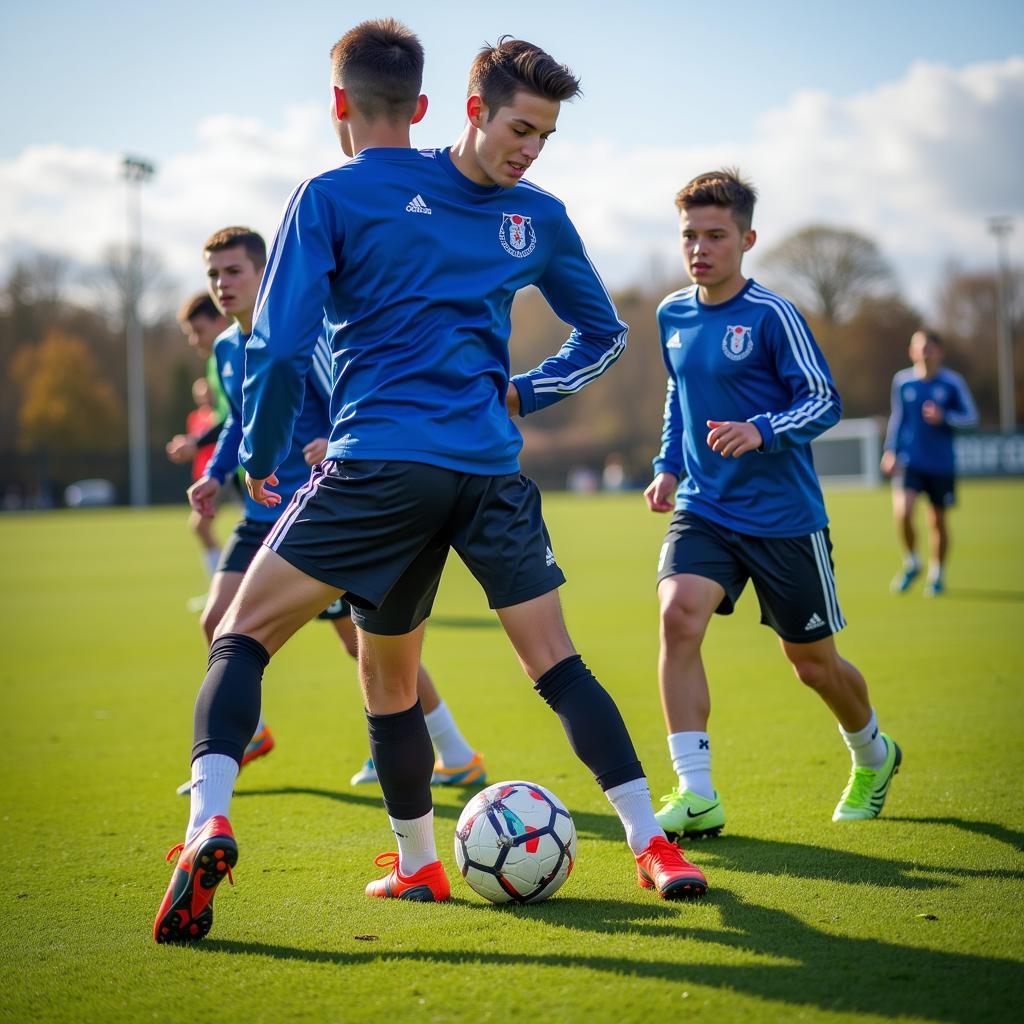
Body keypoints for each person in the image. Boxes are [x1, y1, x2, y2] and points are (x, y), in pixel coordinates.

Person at [153, 20, 705, 946]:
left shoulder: (340, 192)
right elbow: (605, 335)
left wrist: (264, 453)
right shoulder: (497, 205)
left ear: (339, 104)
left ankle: (207, 820)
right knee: (413, 669)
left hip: (382, 468)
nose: (531, 151)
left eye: (544, 137)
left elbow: (284, 346)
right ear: (448, 108)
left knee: (241, 636)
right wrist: (522, 394)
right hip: (485, 477)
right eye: (522, 130)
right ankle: (445, 863)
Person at [172, 225, 482, 796]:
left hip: (317, 515)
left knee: (365, 644)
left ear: (263, 273)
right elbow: (241, 421)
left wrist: (334, 443)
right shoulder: (223, 349)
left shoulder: (301, 333)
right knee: (217, 622)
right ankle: (245, 733)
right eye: (213, 274)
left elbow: (351, 395)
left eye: (234, 271)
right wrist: (215, 475)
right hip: (259, 513)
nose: (222, 284)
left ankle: (456, 752)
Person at [644, 168, 901, 844]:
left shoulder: (774, 316)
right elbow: (680, 396)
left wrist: (762, 429)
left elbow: (823, 400)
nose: (700, 248)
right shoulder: (671, 313)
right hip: (703, 507)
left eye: (716, 236)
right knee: (677, 616)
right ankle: (696, 794)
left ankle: (873, 754)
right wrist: (668, 468)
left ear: (747, 239)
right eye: (690, 236)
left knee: (812, 664)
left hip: (784, 519)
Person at [882, 329, 978, 597]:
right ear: (911, 351)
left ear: (939, 351)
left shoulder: (952, 383)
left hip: (941, 464)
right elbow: (897, 418)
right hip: (910, 461)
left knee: (937, 521)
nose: (924, 352)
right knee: (903, 512)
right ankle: (912, 561)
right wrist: (890, 450)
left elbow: (971, 418)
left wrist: (944, 417)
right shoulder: (902, 381)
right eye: (919, 347)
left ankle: (937, 575)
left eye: (929, 348)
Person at [166, 294, 231, 583]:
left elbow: (238, 417)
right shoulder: (216, 360)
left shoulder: (235, 352)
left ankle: (227, 588)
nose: (194, 340)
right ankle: (223, 587)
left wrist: (197, 442)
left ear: (220, 320)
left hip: (247, 466)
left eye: (198, 331)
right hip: (233, 466)